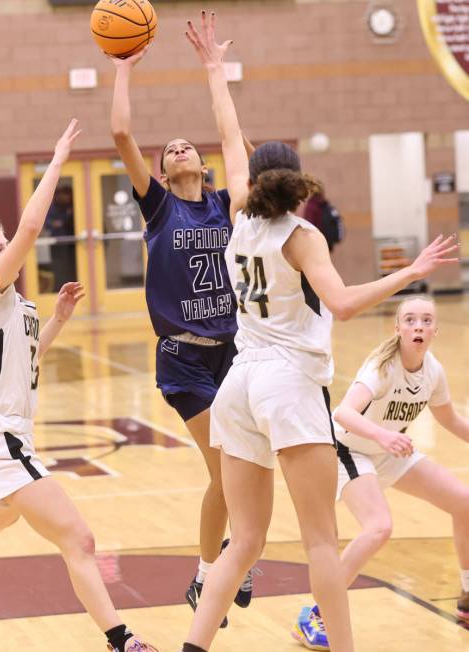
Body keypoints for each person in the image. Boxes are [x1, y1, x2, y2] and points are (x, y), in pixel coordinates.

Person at [181, 12, 458, 652]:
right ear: (299, 186)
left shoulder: (238, 222)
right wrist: (408, 273)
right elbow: (342, 305)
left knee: (244, 540)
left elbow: (227, 135)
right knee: (320, 542)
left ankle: (194, 646)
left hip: (238, 386)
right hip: (286, 384)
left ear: (254, 182)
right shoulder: (299, 235)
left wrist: (215, 71)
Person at [0, 120, 157, 652]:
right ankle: (121, 640)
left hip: (3, 435)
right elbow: (30, 230)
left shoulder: (9, 305)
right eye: (1, 246)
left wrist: (57, 321)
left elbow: (26, 361)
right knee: (79, 538)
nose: (12, 250)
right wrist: (56, 161)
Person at [107, 46, 254, 623]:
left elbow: (234, 139)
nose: (177, 148)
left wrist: (215, 73)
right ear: (162, 173)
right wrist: (122, 68)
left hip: (235, 355)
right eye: (168, 151)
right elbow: (121, 133)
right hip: (185, 361)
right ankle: (218, 569)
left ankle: (203, 574)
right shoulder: (161, 209)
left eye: (184, 144)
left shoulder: (225, 205)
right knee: (226, 469)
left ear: (203, 164)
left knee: (234, 471)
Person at [292, 295, 469, 650]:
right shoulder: (382, 365)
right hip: (349, 448)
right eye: (410, 320)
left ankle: (468, 595)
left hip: (389, 449)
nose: (418, 326)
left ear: (435, 329)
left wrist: (388, 440)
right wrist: (384, 436)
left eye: (426, 320)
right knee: (379, 527)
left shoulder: (432, 370)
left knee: (464, 502)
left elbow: (448, 418)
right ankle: (318, 613)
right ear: (398, 327)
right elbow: (343, 413)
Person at [303, 184, 344, 253]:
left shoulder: (311, 206)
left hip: (316, 243)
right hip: (327, 242)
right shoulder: (325, 204)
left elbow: (309, 225)